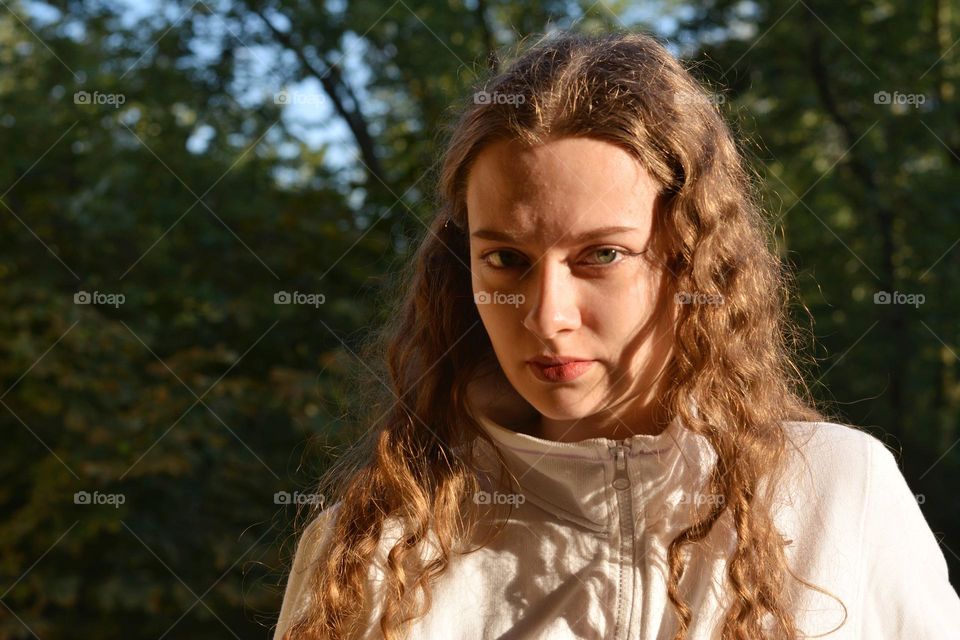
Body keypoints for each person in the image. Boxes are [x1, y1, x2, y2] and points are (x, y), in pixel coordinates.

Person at [273, 29, 960, 639]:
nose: (547, 317)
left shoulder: (838, 493)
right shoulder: (367, 552)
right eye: (506, 259)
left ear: (692, 256)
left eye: (601, 256)